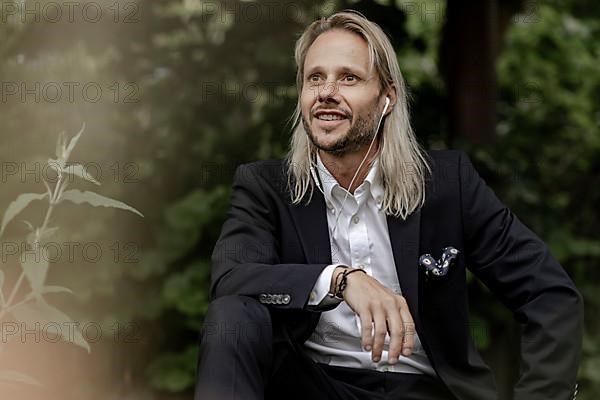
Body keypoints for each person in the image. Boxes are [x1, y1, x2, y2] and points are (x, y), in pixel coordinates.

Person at [195, 10, 583, 400]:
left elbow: (547, 293)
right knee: (232, 314)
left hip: (423, 389)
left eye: (349, 77)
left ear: (387, 98)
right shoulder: (267, 187)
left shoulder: (448, 184)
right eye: (315, 78)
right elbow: (231, 278)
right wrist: (339, 281)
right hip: (313, 385)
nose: (326, 91)